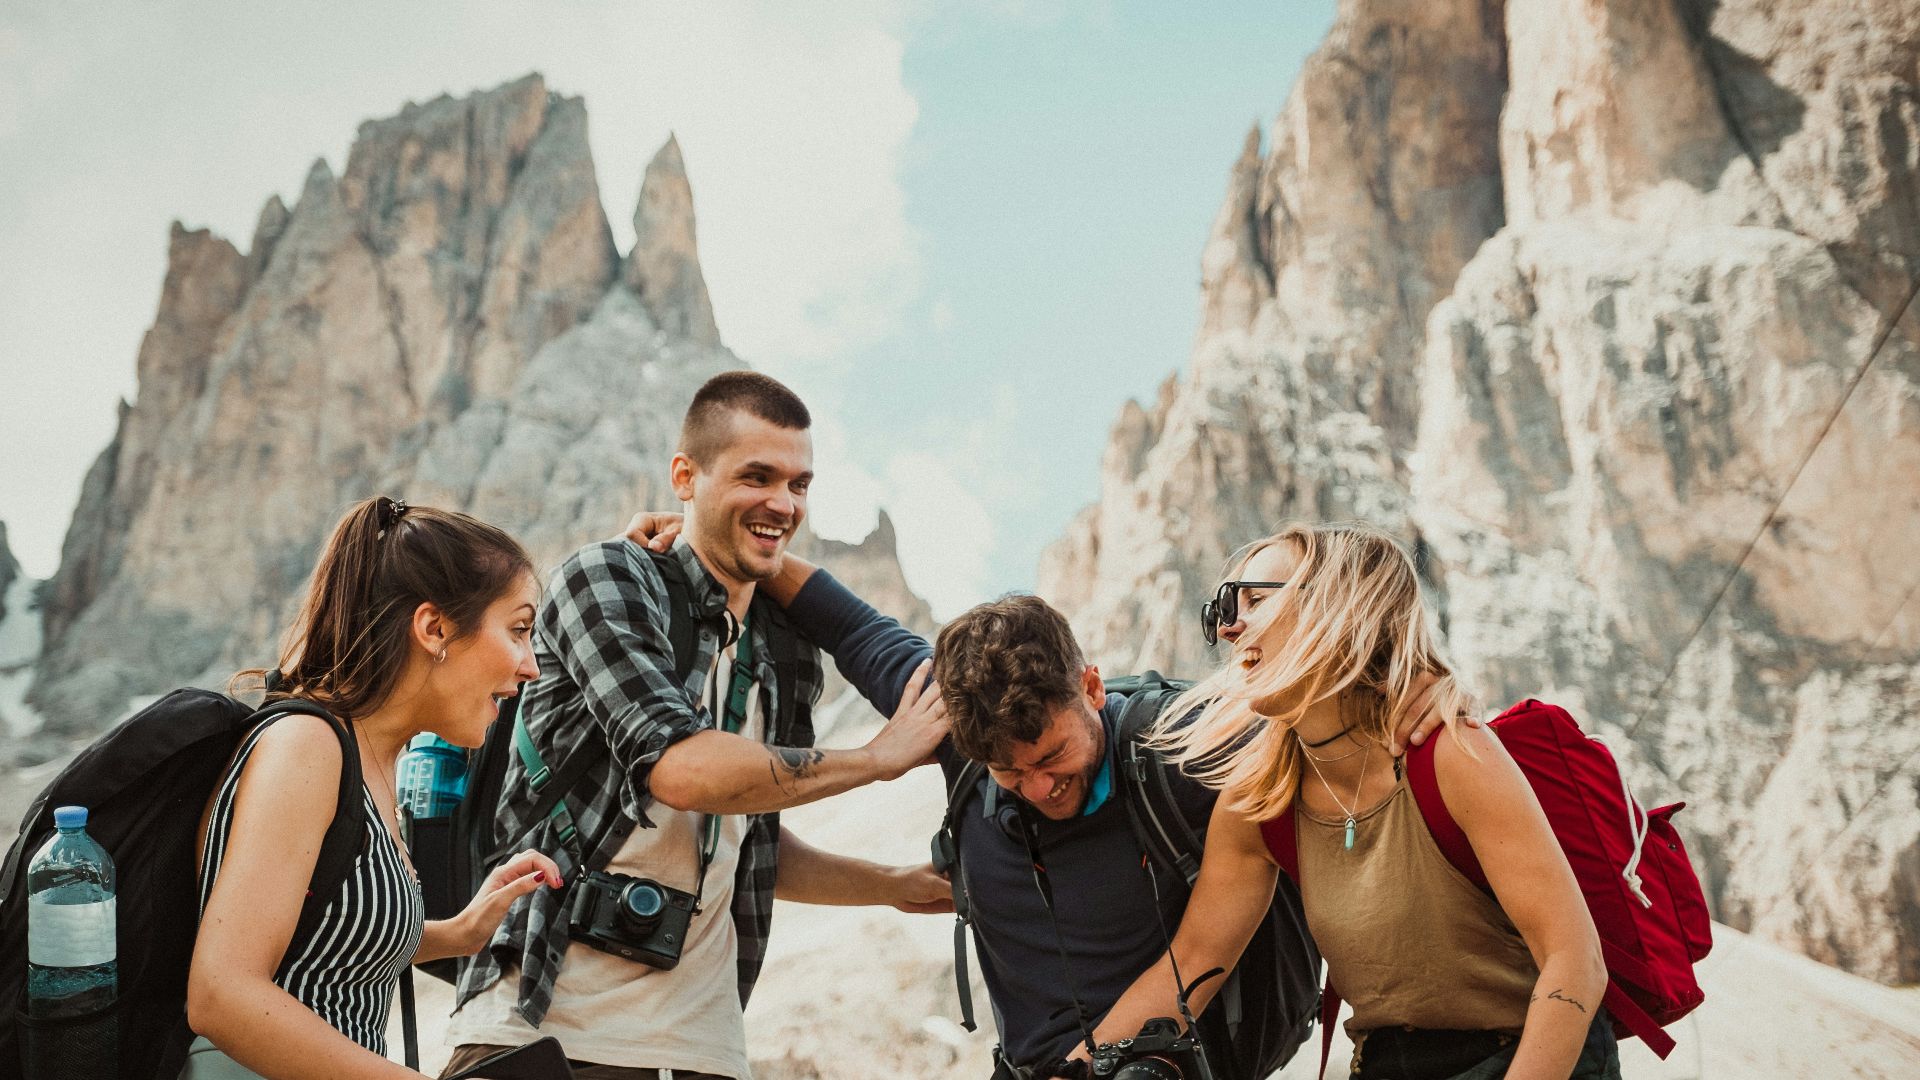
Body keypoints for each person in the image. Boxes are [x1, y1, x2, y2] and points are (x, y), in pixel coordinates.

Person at [621, 512, 1457, 1080]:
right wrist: (716, 540)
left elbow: (1333, 701)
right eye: (1009, 773)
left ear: (1091, 686)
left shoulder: (1182, 744)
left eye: (1053, 756)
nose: (1039, 786)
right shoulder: (956, 730)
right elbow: (847, 625)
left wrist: (1422, 692)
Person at [444, 372, 953, 1080]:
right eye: (757, 476)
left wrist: (894, 883)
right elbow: (682, 771)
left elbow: (748, 838)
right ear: (685, 475)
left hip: (704, 1052)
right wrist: (876, 759)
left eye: (800, 485)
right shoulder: (609, 578)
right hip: (546, 1035)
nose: (783, 503)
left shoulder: (782, 647)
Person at [1087, 523, 1619, 1080]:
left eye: (1256, 600)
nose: (1229, 628)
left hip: (1533, 1056)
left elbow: (1575, 961)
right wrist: (1066, 1071)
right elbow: (1189, 968)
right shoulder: (1259, 804)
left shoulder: (1449, 755)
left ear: (1338, 606)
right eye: (1224, 607)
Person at [184, 496, 562, 1079]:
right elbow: (220, 993)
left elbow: (324, 937)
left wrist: (460, 932)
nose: (530, 665)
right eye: (517, 630)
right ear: (435, 628)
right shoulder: (307, 747)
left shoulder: (372, 762)